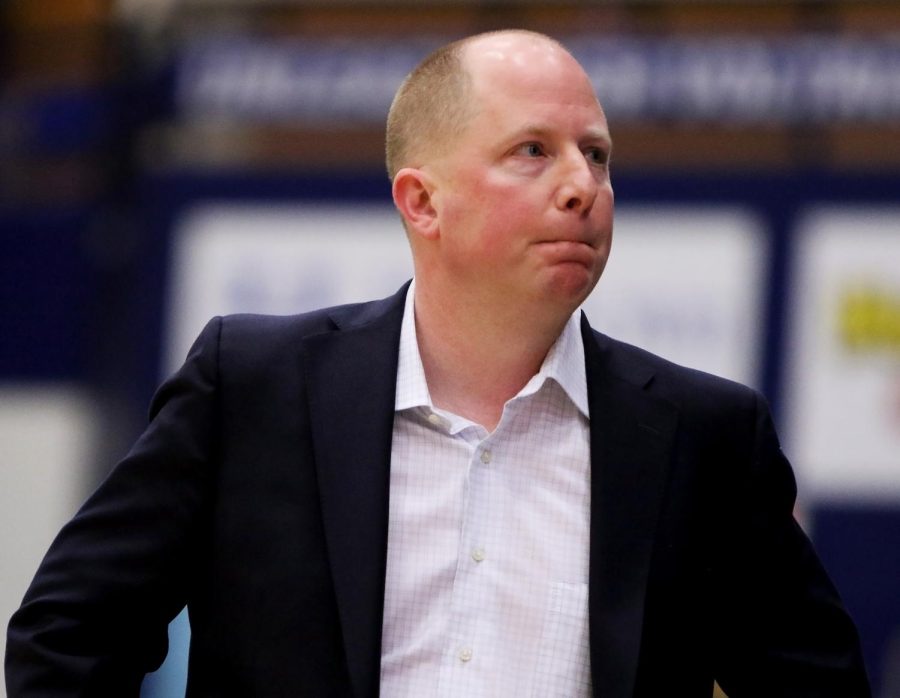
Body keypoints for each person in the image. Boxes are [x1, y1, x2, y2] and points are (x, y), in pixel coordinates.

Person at [6, 30, 869, 698]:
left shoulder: (704, 435)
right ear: (422, 201)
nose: (582, 186)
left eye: (597, 154)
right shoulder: (254, 385)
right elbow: (69, 632)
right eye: (533, 151)